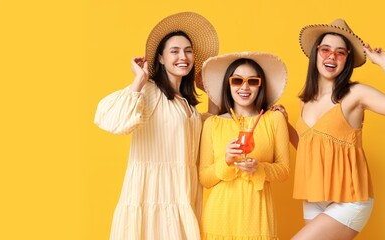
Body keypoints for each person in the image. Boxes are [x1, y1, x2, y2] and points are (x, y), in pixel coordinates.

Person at [272, 19, 385, 240]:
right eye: (325, 50)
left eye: (340, 52)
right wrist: (284, 123)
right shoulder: (306, 100)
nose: (331, 56)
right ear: (316, 54)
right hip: (315, 196)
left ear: (347, 60)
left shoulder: (356, 94)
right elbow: (306, 146)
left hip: (350, 199)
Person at [94, 12, 219, 240]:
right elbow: (109, 119)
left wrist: (210, 89)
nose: (183, 56)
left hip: (183, 193)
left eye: (188, 50)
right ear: (160, 58)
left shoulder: (187, 104)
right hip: (153, 194)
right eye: (175, 51)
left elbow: (212, 131)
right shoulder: (150, 92)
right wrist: (139, 79)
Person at [198, 52, 290, 239]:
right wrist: (226, 160)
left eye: (253, 81)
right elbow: (204, 179)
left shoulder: (274, 119)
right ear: (228, 84)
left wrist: (260, 168)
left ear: (260, 85)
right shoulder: (212, 124)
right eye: (237, 81)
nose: (245, 87)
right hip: (219, 218)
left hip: (258, 220)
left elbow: (284, 170)